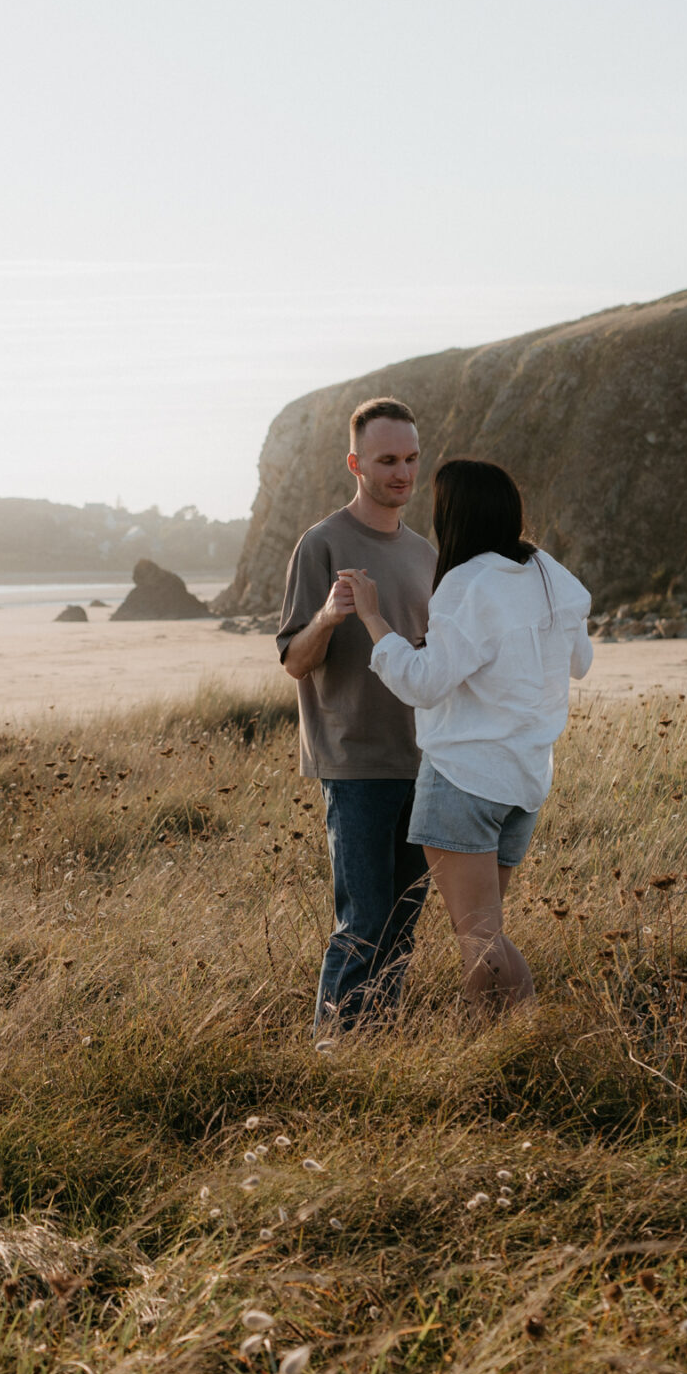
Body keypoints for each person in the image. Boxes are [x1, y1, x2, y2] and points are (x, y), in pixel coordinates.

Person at [344, 457, 591, 1014]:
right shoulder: (551, 573)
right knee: (488, 932)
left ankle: (518, 1043)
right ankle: (500, 1042)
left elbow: (425, 684)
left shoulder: (467, 582)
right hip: (525, 781)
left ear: (452, 515)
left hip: (464, 780)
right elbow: (581, 661)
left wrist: (373, 619)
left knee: (479, 939)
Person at [278, 396, 438, 1031]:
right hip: (354, 762)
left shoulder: (426, 553)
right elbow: (293, 659)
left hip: (425, 760)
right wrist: (328, 616)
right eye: (387, 460)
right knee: (364, 922)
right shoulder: (321, 544)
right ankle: (332, 1049)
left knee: (402, 924)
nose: (402, 472)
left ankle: (377, 1042)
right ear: (356, 463)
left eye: (411, 459)